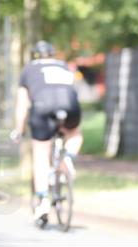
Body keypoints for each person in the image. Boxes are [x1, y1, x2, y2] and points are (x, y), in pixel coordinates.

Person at [10, 41, 83, 225]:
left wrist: (19, 129)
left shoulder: (29, 69)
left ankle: (42, 200)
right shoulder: (64, 65)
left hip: (42, 107)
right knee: (74, 134)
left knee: (41, 152)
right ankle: (68, 158)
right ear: (52, 54)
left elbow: (23, 104)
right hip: (70, 106)